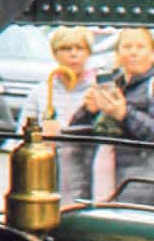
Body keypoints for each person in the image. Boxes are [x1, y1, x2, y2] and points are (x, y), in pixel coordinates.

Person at [20, 25, 102, 204]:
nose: (73, 54)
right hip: (47, 175)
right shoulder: (40, 91)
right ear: (55, 54)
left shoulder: (97, 91)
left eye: (79, 48)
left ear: (88, 53)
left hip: (85, 174)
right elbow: (20, 135)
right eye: (66, 48)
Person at [87, 25, 154, 194]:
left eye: (140, 46)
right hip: (106, 175)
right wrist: (88, 110)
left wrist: (125, 114)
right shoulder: (115, 82)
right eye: (127, 46)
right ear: (118, 53)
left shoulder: (151, 85)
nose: (133, 52)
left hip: (142, 181)